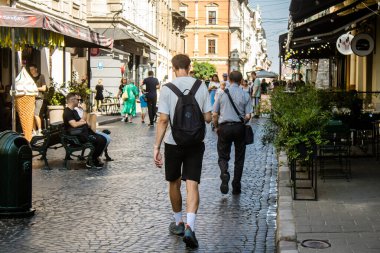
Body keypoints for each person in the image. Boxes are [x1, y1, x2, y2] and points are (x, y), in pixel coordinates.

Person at [153, 54, 212, 249]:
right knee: (192, 184)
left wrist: (156, 147)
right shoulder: (201, 86)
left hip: (173, 142)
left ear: (173, 67)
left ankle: (178, 222)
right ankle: (190, 226)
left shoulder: (167, 89)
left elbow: (162, 120)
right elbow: (208, 118)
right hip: (196, 142)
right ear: (189, 66)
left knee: (174, 182)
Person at [213, 71, 252, 195]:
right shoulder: (245, 95)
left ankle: (224, 172)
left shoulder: (222, 94)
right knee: (239, 158)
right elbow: (248, 115)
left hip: (224, 127)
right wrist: (243, 120)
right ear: (241, 81)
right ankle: (236, 186)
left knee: (223, 155)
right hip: (239, 128)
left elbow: (214, 114)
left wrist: (216, 127)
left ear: (229, 80)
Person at [62, 92, 107, 168]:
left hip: (83, 133)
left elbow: (83, 120)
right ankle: (91, 160)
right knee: (100, 140)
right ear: (73, 100)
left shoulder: (74, 111)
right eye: (78, 99)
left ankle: (93, 159)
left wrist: (84, 110)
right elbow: (74, 124)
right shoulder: (67, 112)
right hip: (77, 136)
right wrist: (82, 122)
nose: (79, 101)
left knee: (103, 139)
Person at [74, 93, 113, 161]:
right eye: (78, 100)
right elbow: (84, 123)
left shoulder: (81, 110)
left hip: (89, 130)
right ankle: (94, 157)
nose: (79, 101)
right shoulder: (75, 110)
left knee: (108, 138)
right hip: (85, 132)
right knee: (104, 139)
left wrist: (87, 112)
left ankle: (96, 156)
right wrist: (86, 113)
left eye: (81, 100)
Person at [29, 64, 46, 136]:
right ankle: (34, 131)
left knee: (36, 114)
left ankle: (40, 130)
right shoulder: (29, 77)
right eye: (30, 70)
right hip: (31, 97)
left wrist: (35, 88)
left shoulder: (41, 76)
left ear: (36, 69)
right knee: (31, 115)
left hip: (39, 98)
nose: (31, 71)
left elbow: (44, 88)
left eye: (32, 69)